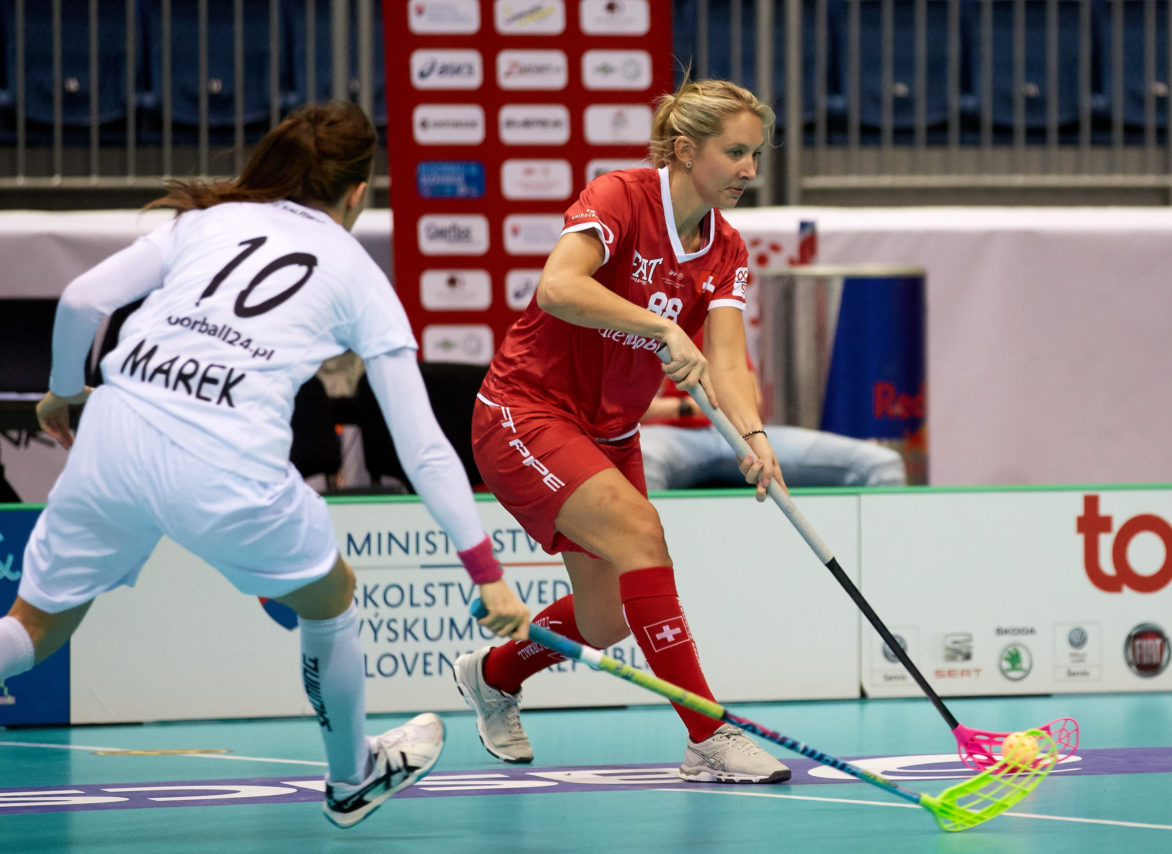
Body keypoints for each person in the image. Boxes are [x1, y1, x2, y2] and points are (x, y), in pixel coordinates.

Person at [0, 101, 531, 828]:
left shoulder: (204, 221)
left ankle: (353, 768)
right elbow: (424, 446)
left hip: (116, 430)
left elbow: (82, 298)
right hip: (224, 463)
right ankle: (352, 776)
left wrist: (63, 394)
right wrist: (486, 573)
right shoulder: (358, 274)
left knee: (32, 632)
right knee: (332, 595)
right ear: (355, 194)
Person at [455, 78, 791, 784]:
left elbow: (727, 359)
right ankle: (708, 733)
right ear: (684, 149)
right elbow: (558, 287)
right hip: (526, 409)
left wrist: (755, 437)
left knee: (607, 618)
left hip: (608, 432)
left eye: (755, 155)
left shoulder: (725, 249)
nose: (749, 172)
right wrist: (661, 324)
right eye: (735, 153)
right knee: (644, 534)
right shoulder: (620, 197)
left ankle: (493, 674)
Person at [640, 354, 906, 491]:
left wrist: (752, 433)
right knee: (642, 459)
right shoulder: (630, 312)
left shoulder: (710, 303)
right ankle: (654, 579)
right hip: (663, 435)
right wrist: (686, 408)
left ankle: (883, 578)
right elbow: (617, 408)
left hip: (733, 431)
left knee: (882, 465)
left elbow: (752, 399)